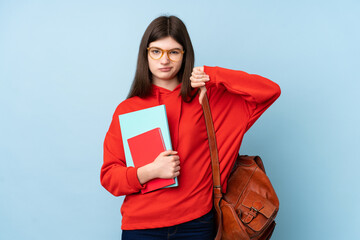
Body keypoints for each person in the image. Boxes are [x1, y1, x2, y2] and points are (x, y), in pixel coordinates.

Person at [100, 15, 280, 240]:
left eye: (173, 52)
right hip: (141, 228)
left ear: (185, 55)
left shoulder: (206, 99)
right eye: (156, 51)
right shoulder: (127, 109)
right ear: (145, 54)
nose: (164, 60)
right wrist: (150, 171)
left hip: (196, 225)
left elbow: (270, 91)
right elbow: (109, 177)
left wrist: (213, 74)